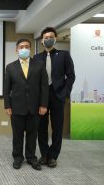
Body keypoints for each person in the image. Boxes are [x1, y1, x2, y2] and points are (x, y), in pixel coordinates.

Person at [4, 38, 48, 170]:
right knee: (17, 135)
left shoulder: (39, 65)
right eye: (22, 46)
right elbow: (7, 89)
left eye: (27, 46)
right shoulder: (10, 67)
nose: (24, 49)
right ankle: (17, 157)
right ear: (17, 49)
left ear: (30, 49)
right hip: (16, 108)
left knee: (32, 134)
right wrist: (7, 106)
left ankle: (31, 157)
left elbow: (44, 87)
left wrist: (43, 105)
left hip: (34, 108)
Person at [34, 27, 75, 168]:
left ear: (55, 38)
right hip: (41, 98)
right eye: (45, 37)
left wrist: (65, 93)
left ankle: (53, 156)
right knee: (41, 127)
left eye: (51, 36)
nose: (48, 39)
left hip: (58, 96)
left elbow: (71, 76)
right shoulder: (37, 58)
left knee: (57, 128)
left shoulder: (64, 55)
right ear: (41, 41)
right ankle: (44, 155)